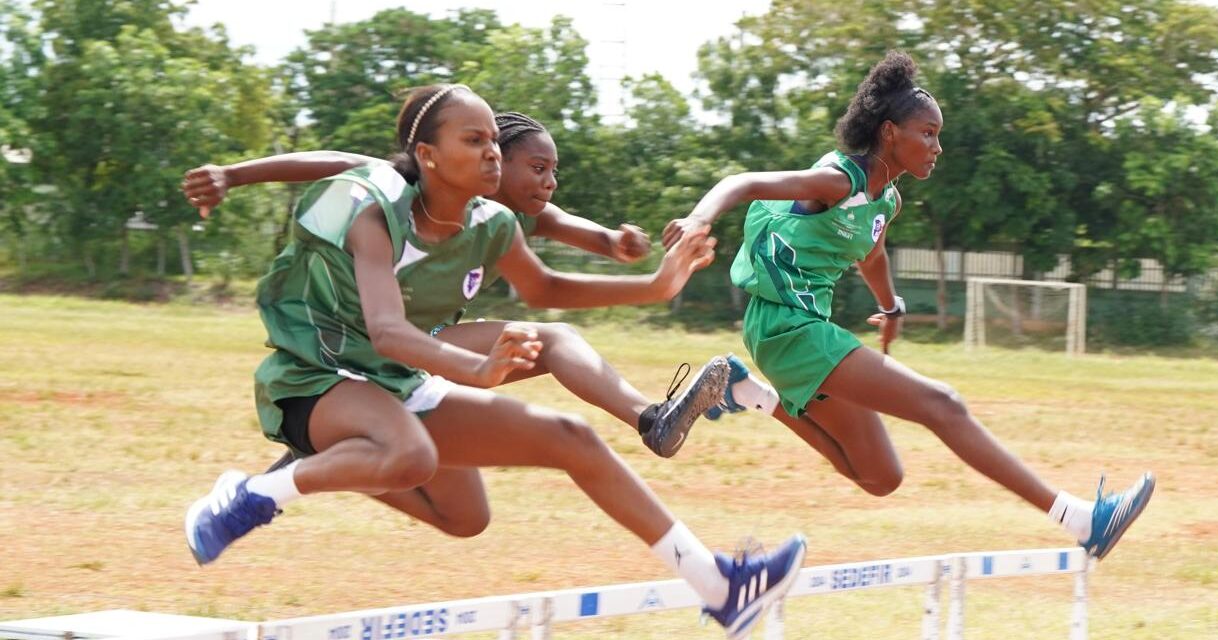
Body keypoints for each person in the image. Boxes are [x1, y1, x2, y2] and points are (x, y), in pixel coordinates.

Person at [183, 84, 805, 639]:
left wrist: (655, 286)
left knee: (498, 491)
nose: (492, 154)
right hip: (317, 374)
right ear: (427, 155)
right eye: (474, 139)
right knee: (412, 455)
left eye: (494, 144)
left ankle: (720, 588)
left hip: (394, 378)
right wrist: (234, 175)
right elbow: (388, 329)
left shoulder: (493, 221)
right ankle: (252, 494)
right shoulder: (375, 203)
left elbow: (547, 291)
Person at [663, 52, 1154, 561]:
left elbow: (871, 253)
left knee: (881, 477)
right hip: (787, 327)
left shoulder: (886, 200)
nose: (937, 147)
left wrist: (891, 307)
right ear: (891, 132)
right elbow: (743, 183)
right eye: (928, 133)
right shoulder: (840, 181)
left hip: (800, 331)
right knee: (943, 405)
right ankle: (1081, 520)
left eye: (939, 136)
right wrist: (698, 218)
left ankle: (745, 390)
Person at [184, 112, 718, 459]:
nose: (548, 183)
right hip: (368, 339)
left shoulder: (527, 214)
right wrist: (233, 174)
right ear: (494, 159)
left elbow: (596, 242)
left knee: (543, 347)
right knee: (544, 343)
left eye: (554, 172)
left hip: (429, 339)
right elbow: (333, 162)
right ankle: (306, 453)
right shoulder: (413, 183)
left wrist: (623, 243)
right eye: (536, 168)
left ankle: (653, 419)